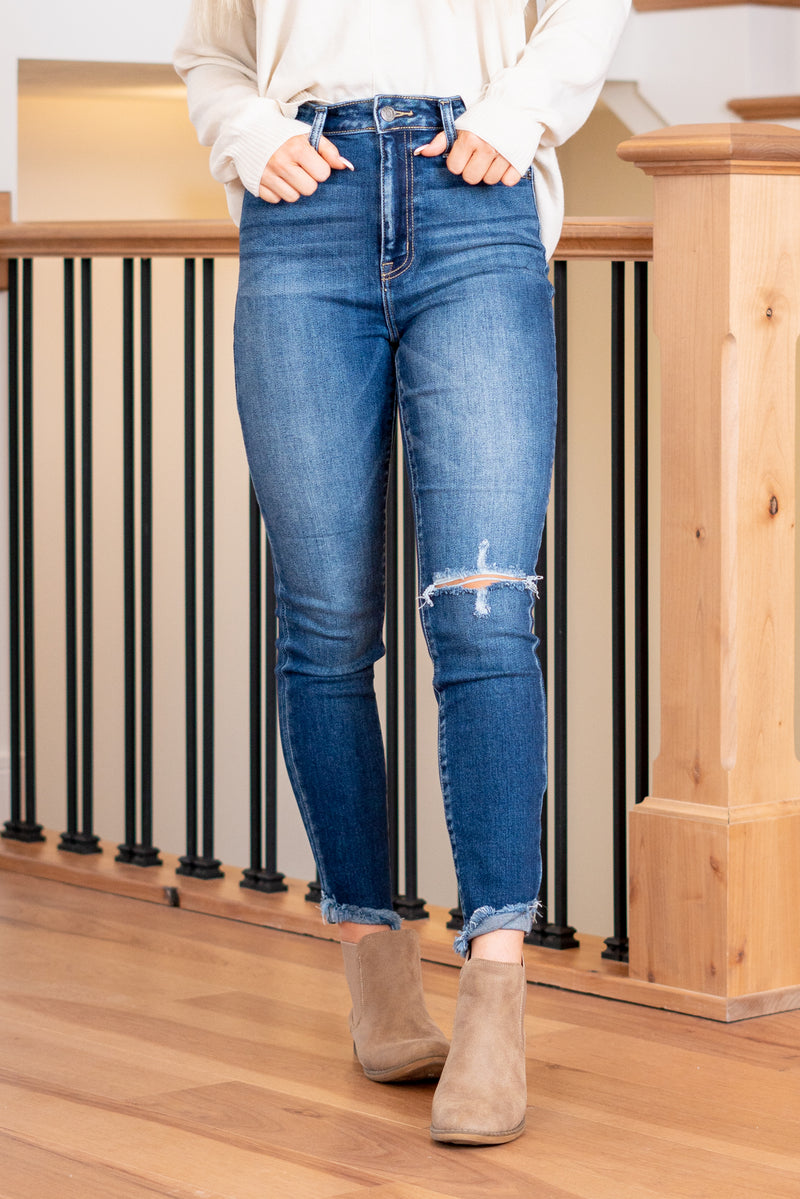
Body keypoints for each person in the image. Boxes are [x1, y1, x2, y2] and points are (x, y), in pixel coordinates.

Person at [175, 0, 630, 1146]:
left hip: (474, 197)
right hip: (302, 210)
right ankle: (373, 965)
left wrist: (517, 113)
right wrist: (249, 133)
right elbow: (211, 51)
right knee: (326, 626)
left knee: (483, 613)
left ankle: (494, 990)